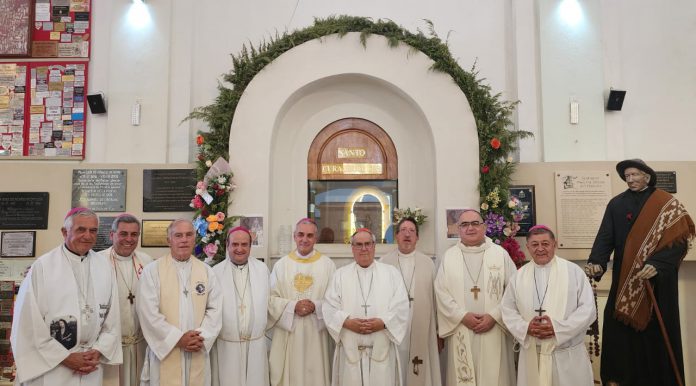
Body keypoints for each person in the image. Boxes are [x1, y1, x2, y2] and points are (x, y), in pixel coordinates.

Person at [585, 159, 695, 386]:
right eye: (627, 176)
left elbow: (680, 241)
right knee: (621, 339)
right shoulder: (616, 204)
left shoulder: (667, 203)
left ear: (647, 175)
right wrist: (597, 262)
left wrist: (658, 263)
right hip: (624, 282)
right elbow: (606, 237)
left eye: (635, 174)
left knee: (656, 340)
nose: (630, 179)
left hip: (658, 288)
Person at [11, 207, 122, 385]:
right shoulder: (43, 267)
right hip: (53, 366)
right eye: (81, 229)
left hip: (90, 365)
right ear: (64, 232)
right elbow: (28, 324)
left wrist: (98, 351)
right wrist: (65, 357)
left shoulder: (105, 266)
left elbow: (113, 318)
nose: (87, 235)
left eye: (93, 230)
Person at [501, 225, 595, 386]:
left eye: (545, 243)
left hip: (566, 355)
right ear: (528, 247)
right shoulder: (519, 276)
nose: (540, 249)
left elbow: (587, 309)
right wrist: (525, 327)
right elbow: (507, 310)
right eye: (535, 244)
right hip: (532, 355)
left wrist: (557, 328)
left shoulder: (574, 272)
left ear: (554, 244)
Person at [434, 209, 516, 386]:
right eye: (464, 224)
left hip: (495, 329)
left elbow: (513, 291)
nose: (470, 228)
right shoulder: (449, 257)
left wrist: (494, 316)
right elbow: (441, 293)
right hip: (461, 329)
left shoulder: (500, 254)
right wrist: (462, 316)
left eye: (475, 223)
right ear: (458, 229)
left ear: (484, 227)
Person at [137, 219, 222, 386]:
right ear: (169, 240)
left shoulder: (206, 271)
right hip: (166, 351)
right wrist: (177, 339)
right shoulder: (152, 271)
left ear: (195, 238)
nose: (184, 239)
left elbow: (215, 309)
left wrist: (201, 337)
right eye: (178, 235)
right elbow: (148, 313)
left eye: (189, 235)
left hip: (197, 348)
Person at [323, 228, 410, 386]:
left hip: (382, 350)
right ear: (352, 248)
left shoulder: (391, 274)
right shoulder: (340, 275)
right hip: (350, 353)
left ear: (374, 246)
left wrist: (382, 323)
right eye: (359, 244)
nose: (364, 249)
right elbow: (329, 308)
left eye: (368, 244)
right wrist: (347, 322)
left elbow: (401, 307)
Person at [268, 218, 336, 386]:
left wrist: (316, 306)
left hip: (317, 334)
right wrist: (292, 306)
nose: (304, 239)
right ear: (294, 236)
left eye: (309, 235)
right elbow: (270, 300)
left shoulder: (328, 265)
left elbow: (336, 300)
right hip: (289, 333)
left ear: (316, 238)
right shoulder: (281, 265)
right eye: (300, 235)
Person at [380, 217, 442, 386]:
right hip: (394, 327)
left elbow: (436, 299)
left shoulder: (428, 263)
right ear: (396, 236)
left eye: (412, 231)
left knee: (420, 364)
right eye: (403, 231)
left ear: (417, 237)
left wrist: (438, 332)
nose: (407, 234)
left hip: (422, 324)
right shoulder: (384, 263)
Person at [211, 226, 270, 386]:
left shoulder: (262, 270)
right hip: (226, 347)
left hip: (256, 346)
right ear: (227, 245)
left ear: (250, 246)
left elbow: (270, 304)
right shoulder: (215, 272)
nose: (239, 249)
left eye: (244, 244)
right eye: (235, 244)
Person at [99, 214, 153, 386]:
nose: (129, 239)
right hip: (109, 346)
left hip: (140, 344)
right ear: (111, 235)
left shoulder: (147, 262)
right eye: (123, 234)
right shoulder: (97, 261)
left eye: (134, 234)